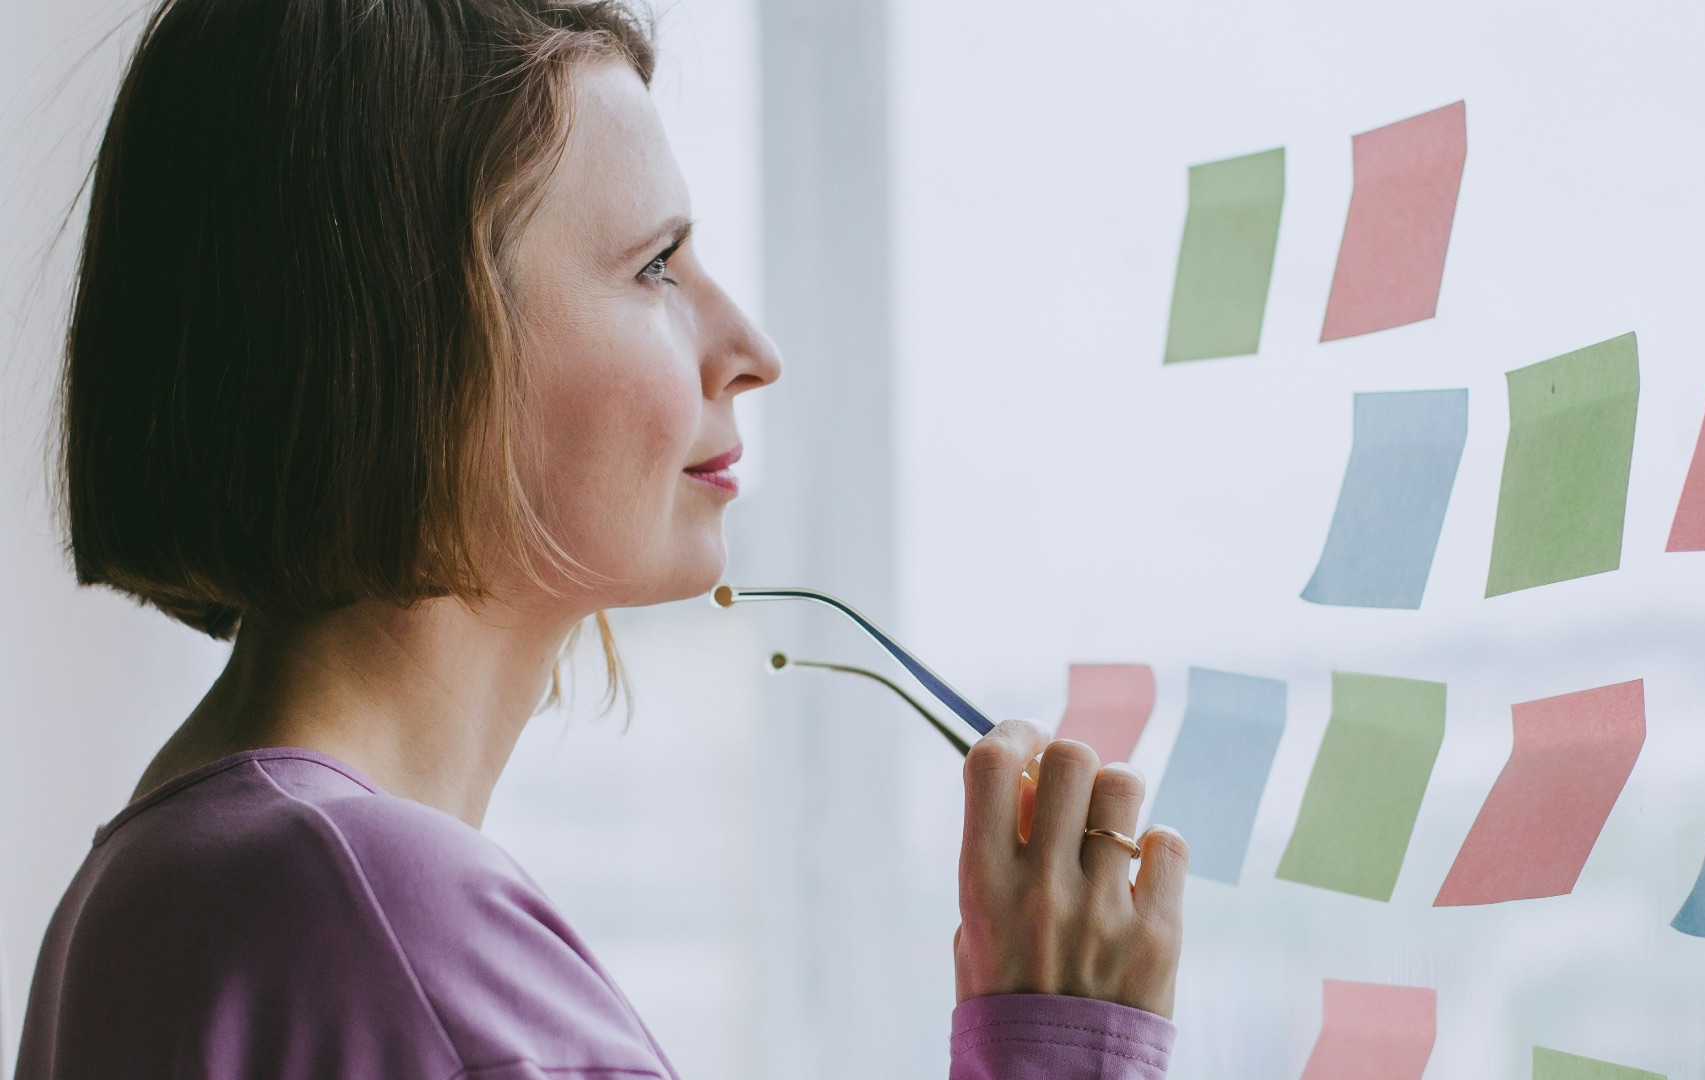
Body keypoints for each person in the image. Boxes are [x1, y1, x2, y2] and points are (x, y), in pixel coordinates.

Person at [16, 1, 1189, 1077]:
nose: (750, 347)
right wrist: (1061, 1044)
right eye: (655, 268)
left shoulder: (151, 889)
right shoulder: (381, 910)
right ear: (414, 351)